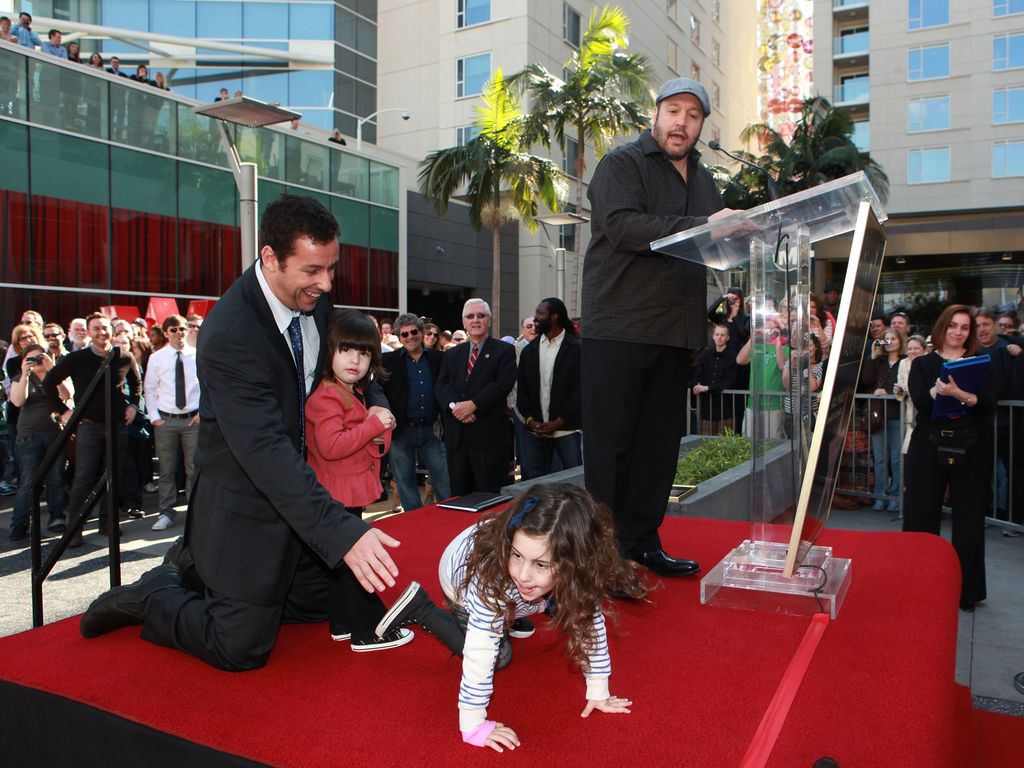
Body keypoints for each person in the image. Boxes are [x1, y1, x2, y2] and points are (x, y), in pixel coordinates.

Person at [78, 195, 402, 671]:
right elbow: (264, 449)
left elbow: (349, 372)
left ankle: (206, 577)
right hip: (246, 499)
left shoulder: (315, 299)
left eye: (331, 268)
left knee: (316, 609)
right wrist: (341, 532)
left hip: (303, 496)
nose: (326, 283)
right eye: (313, 270)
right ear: (270, 258)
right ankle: (156, 595)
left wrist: (375, 405)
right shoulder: (229, 331)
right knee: (242, 646)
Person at [580, 76, 736, 577]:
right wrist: (702, 228)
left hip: (676, 334)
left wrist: (741, 230)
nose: (682, 123)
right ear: (657, 114)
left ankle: (643, 542)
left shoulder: (705, 180)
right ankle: (601, 559)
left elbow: (716, 244)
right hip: (619, 329)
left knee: (658, 450)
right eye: (674, 111)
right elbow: (623, 226)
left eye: (693, 116)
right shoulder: (622, 164)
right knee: (612, 451)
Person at [374, 484, 647, 752]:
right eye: (517, 555)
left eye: (541, 564)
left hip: (517, 590)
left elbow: (589, 623)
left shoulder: (569, 572)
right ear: (510, 545)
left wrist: (599, 690)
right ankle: (421, 608)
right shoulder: (488, 582)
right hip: (460, 574)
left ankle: (515, 612)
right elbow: (479, 652)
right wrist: (473, 725)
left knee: (560, 603)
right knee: (499, 655)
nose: (524, 574)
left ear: (576, 562)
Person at [305, 309, 413, 651]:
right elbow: (332, 446)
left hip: (345, 489)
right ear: (330, 352)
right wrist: (374, 424)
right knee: (354, 563)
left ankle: (343, 624)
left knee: (341, 564)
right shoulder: (326, 395)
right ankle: (367, 630)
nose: (355, 360)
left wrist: (378, 425)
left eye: (364, 353)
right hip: (337, 491)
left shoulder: (348, 391)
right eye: (347, 350)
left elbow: (371, 447)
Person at [903, 305, 992, 611]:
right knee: (920, 517)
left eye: (965, 327)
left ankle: (966, 592)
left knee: (969, 521)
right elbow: (919, 401)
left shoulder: (980, 363)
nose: (958, 332)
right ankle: (915, 584)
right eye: (953, 325)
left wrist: (959, 394)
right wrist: (940, 391)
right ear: (942, 327)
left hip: (972, 449)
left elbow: (988, 402)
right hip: (927, 448)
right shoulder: (924, 364)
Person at [44, 313, 142, 543]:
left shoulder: (124, 356)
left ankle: (108, 523)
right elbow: (49, 382)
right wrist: (63, 411)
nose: (102, 332)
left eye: (105, 328)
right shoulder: (77, 358)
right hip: (89, 427)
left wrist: (134, 405)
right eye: (96, 329)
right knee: (84, 478)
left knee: (113, 476)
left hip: (118, 426)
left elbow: (136, 383)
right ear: (88, 332)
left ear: (112, 331)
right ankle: (74, 529)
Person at [435, 298, 516, 495]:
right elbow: (441, 385)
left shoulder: (504, 350)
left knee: (489, 497)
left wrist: (473, 405)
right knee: (459, 497)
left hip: (489, 438)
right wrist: (456, 407)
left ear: (489, 319)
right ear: (463, 322)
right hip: (458, 437)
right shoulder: (452, 354)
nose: (476, 320)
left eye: (481, 315)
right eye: (470, 316)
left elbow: (503, 384)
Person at [381, 313, 451, 512]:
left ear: (421, 333)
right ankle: (416, 520)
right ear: (399, 337)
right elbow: (379, 392)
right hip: (402, 431)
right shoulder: (389, 360)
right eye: (404, 334)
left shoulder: (439, 359)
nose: (410, 337)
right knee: (404, 482)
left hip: (432, 430)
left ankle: (452, 518)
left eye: (414, 332)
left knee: (444, 478)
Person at [143, 315, 199, 532]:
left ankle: (194, 513)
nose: (179, 333)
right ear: (166, 333)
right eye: (174, 330)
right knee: (166, 470)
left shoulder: (196, 355)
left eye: (183, 329)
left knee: (194, 469)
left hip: (193, 420)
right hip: (166, 419)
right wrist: (154, 416)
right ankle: (166, 512)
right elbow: (150, 389)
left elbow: (206, 383)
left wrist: (203, 411)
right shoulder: (157, 358)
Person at [7, 344, 69, 540]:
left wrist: (52, 370)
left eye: (39, 357)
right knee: (28, 481)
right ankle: (19, 523)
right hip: (29, 436)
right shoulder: (21, 377)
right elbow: (17, 401)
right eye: (31, 358)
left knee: (56, 478)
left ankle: (57, 517)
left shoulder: (56, 375)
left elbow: (67, 395)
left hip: (54, 433)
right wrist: (25, 373)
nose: (36, 362)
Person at [516, 298, 582, 479]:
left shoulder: (576, 349)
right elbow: (522, 390)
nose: (535, 318)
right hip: (536, 431)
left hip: (567, 430)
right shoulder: (530, 351)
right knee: (533, 484)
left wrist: (558, 422)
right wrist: (530, 421)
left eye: (540, 314)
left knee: (573, 482)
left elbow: (579, 392)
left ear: (554, 316)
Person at [862, 327, 905, 512]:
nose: (889, 343)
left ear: (900, 341)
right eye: (886, 339)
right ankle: (881, 496)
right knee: (879, 459)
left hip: (896, 414)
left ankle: (895, 496)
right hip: (877, 416)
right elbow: (866, 379)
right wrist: (872, 356)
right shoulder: (879, 361)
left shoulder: (905, 361)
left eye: (893, 339)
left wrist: (888, 392)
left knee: (896, 460)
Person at [691, 324, 738, 435]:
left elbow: (731, 381)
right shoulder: (705, 355)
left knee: (726, 446)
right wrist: (696, 386)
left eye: (722, 335)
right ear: (713, 336)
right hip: (707, 409)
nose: (719, 337)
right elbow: (697, 376)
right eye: (717, 334)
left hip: (726, 410)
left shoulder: (733, 356)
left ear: (728, 337)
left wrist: (708, 388)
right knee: (704, 442)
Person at [895, 334, 927, 457]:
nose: (912, 351)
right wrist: (899, 390)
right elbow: (901, 385)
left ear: (923, 349)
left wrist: (909, 390)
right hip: (910, 413)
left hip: (925, 411)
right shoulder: (903, 363)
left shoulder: (929, 362)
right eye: (910, 348)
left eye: (916, 348)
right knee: (910, 451)